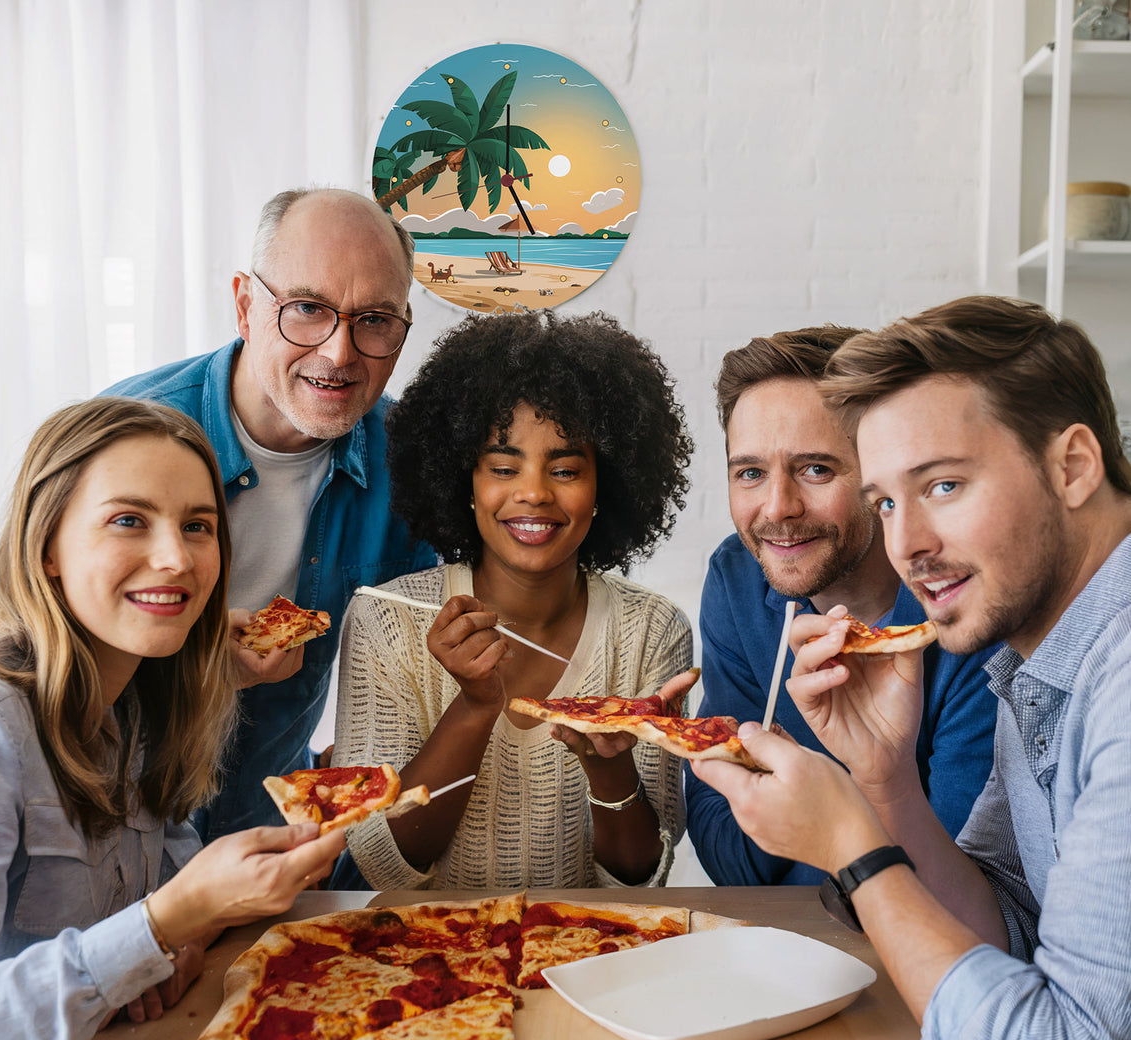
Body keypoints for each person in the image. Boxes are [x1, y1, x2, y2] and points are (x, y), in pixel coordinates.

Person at [693, 297, 1131, 1040]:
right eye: (888, 500)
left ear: (1074, 465)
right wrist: (887, 783)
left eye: (941, 486)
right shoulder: (1036, 648)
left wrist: (858, 847)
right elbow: (1005, 929)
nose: (908, 545)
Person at [0, 398, 345, 1040]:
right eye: (128, 520)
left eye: (197, 526)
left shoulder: (141, 694)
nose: (177, 558)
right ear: (47, 545)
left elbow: (159, 896)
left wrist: (170, 944)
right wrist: (170, 920)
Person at [106, 188, 435, 843]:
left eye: (374, 319)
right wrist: (197, 664)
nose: (340, 353)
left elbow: (416, 674)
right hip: (108, 839)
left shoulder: (415, 467)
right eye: (308, 309)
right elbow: (36, 663)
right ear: (245, 304)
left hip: (271, 844)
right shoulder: (118, 438)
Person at [330, 310, 697, 890]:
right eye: (503, 466)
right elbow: (384, 863)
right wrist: (475, 705)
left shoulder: (652, 629)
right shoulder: (387, 619)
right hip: (425, 964)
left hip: (591, 962)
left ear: (607, 486)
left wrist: (609, 767)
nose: (533, 492)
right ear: (464, 482)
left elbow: (640, 878)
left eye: (567, 469)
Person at [685, 325, 997, 885]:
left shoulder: (966, 610)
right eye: (751, 473)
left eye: (816, 469)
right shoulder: (736, 577)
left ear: (878, 478)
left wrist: (806, 802)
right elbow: (724, 853)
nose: (778, 508)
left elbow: (961, 883)